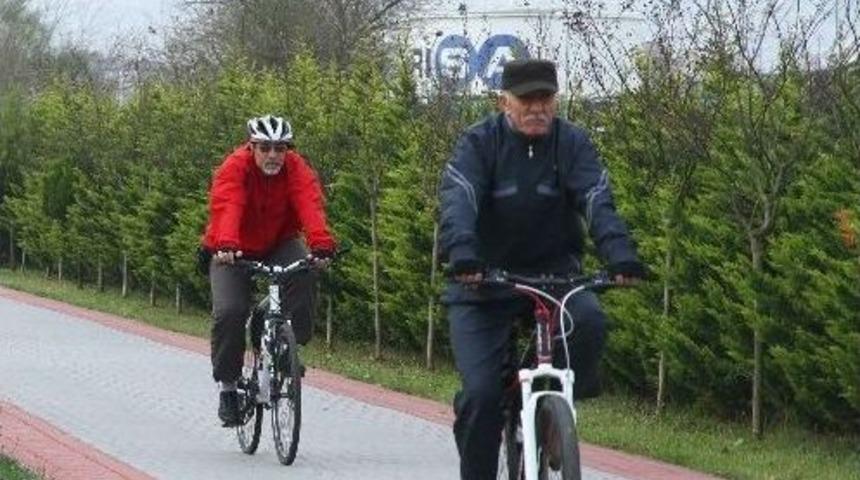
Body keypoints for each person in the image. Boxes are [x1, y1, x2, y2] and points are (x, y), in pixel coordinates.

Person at [438, 59, 645, 479]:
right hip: (483, 283)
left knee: (587, 321)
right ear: (503, 102)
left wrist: (619, 253)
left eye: (545, 98)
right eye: (526, 99)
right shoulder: (479, 143)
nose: (537, 107)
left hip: (556, 280)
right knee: (480, 396)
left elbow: (596, 198)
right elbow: (459, 201)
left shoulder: (572, 144)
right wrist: (463, 254)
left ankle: (551, 407)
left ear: (556, 100)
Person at [200, 115, 336, 427]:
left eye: (280, 148)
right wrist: (225, 243)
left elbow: (309, 203)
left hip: (278, 242)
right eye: (265, 148)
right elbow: (227, 203)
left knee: (305, 271)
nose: (273, 155)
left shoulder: (296, 168)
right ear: (252, 147)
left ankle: (289, 350)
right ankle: (229, 388)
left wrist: (321, 244)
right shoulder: (235, 167)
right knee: (230, 312)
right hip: (230, 250)